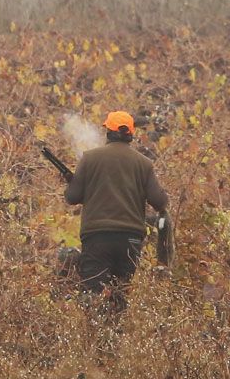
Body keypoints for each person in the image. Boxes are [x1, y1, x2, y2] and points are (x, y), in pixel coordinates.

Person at [64, 111, 168, 311]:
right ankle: (115, 337)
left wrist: (72, 182)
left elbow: (72, 197)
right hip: (130, 241)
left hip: (97, 238)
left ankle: (95, 339)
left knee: (93, 296)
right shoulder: (144, 164)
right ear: (131, 134)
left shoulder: (89, 158)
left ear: (108, 132)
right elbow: (160, 202)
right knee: (119, 297)